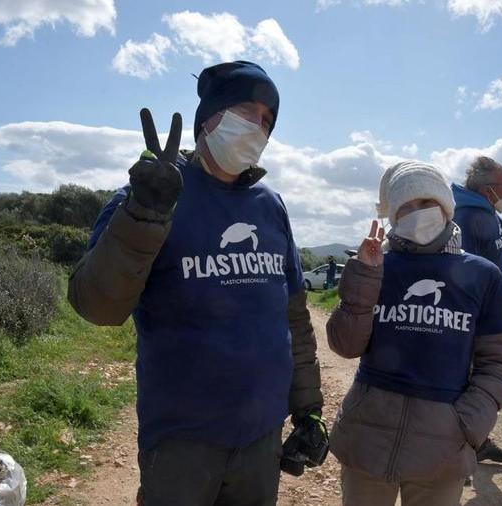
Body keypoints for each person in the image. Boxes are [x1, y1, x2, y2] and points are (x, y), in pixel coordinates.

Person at [68, 60, 325, 506]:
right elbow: (97, 307)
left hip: (261, 436)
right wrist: (144, 215)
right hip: (181, 440)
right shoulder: (154, 194)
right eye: (248, 111)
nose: (258, 127)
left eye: (268, 120)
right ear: (210, 117)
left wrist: (308, 410)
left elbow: (294, 317)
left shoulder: (270, 205)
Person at [327, 161, 502, 506]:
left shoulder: (483, 276)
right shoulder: (377, 267)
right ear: (393, 216)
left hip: (442, 453)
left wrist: (467, 427)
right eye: (406, 207)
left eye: (427, 203)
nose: (418, 213)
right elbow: (344, 345)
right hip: (366, 442)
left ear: (446, 206)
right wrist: (363, 278)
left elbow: (498, 363)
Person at [452, 155, 502, 463]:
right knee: (469, 377)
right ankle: (462, 443)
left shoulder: (488, 213)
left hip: (490, 310)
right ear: (487, 188)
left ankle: (476, 438)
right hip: (476, 315)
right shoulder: (467, 218)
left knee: (478, 377)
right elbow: (459, 272)